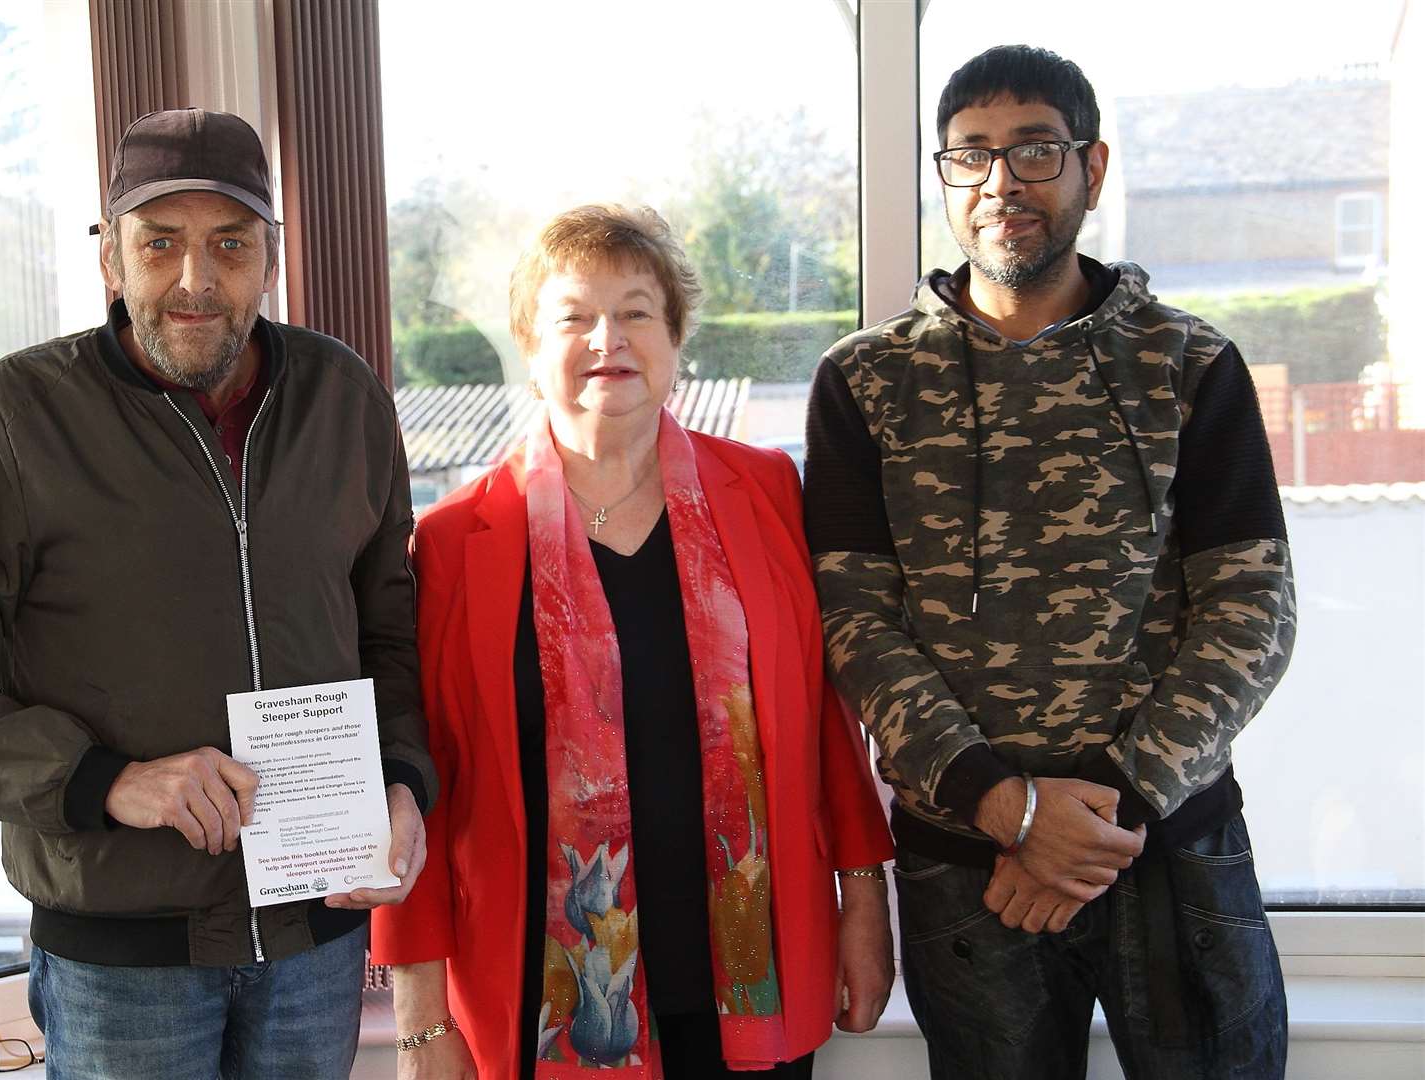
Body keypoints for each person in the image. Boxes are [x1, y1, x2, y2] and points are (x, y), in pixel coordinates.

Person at [0, 108, 435, 1078]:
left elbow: (389, 632)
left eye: (230, 245)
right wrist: (105, 780)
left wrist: (405, 783)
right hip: (123, 967)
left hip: (317, 943)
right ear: (112, 260)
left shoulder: (346, 399)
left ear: (270, 258)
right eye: (160, 243)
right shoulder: (15, 421)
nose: (196, 280)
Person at [803, 45, 1295, 1080]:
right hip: (968, 866)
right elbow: (852, 623)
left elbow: (1252, 612)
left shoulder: (1189, 365)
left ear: (1091, 168)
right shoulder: (866, 382)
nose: (1001, 185)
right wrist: (1007, 809)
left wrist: (1100, 815)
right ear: (945, 175)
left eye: (1035, 152)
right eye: (971, 157)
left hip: (1168, 845)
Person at [373, 204, 894, 1079]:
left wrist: (865, 897)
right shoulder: (459, 541)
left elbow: (824, 720)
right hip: (545, 998)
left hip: (747, 971)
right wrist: (423, 1023)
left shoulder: (767, 492)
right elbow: (423, 787)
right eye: (573, 316)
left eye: (636, 311)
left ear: (675, 338)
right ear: (531, 349)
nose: (606, 337)